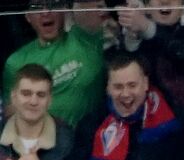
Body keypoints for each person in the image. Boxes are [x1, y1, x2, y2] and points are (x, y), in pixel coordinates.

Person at [3, 0, 107, 128]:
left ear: (64, 10)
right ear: (28, 16)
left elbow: (89, 5)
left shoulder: (85, 39)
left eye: (53, 5)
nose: (45, 12)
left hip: (93, 136)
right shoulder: (16, 61)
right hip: (45, 142)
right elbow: (10, 113)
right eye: (37, 7)